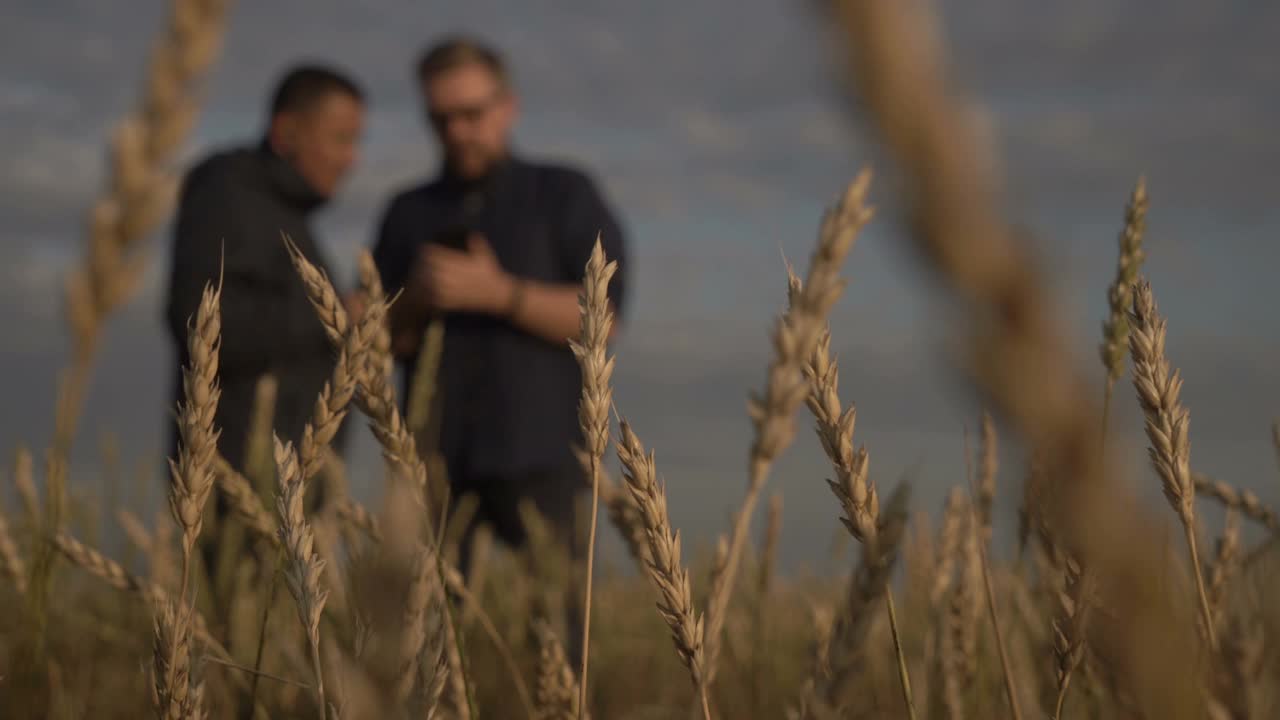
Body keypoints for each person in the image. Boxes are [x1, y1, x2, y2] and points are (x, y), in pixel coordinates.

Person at [370, 35, 628, 661]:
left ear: (507, 106)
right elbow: (379, 339)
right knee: (428, 646)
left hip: (545, 456)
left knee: (560, 646)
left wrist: (499, 293)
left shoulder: (564, 193)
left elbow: (604, 319)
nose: (458, 131)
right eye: (441, 118)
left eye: (472, 114)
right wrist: (420, 300)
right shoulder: (407, 210)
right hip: (433, 459)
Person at [163, 64, 366, 580]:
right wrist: (337, 317)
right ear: (286, 133)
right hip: (240, 486)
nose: (352, 159)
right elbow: (200, 320)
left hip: (285, 492)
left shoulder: (285, 213)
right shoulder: (228, 190)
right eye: (341, 139)